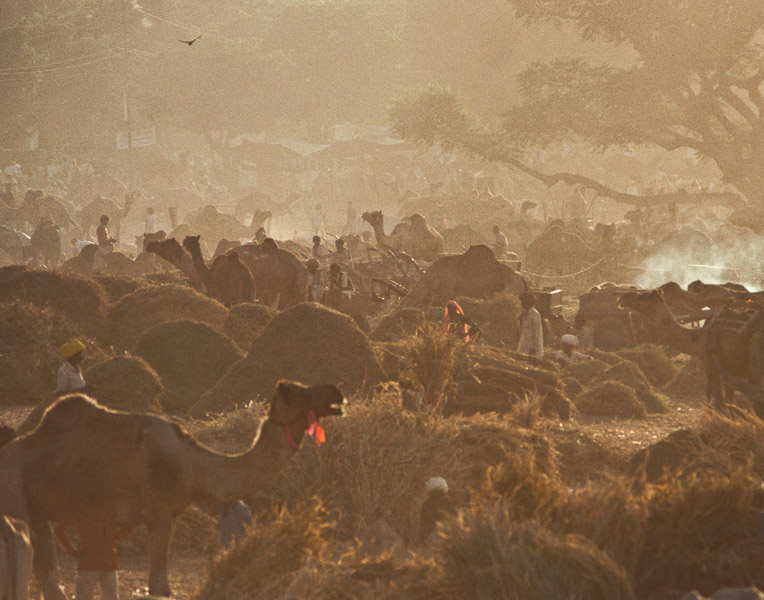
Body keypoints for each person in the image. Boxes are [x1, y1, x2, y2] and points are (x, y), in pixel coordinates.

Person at [55, 522, 133, 600]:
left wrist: (132, 526)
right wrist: (72, 551)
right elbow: (59, 529)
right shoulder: (83, 511)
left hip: (106, 563)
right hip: (91, 563)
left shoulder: (110, 511)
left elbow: (116, 534)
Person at [419, 477, 456, 543]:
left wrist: (422, 538)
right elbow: (455, 519)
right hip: (446, 537)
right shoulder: (448, 502)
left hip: (429, 538)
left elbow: (423, 524)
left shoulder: (426, 504)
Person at [517, 291, 544, 357]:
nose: (522, 304)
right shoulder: (525, 314)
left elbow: (537, 333)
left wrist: (535, 348)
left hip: (531, 349)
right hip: (524, 346)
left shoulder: (534, 314)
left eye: (523, 302)